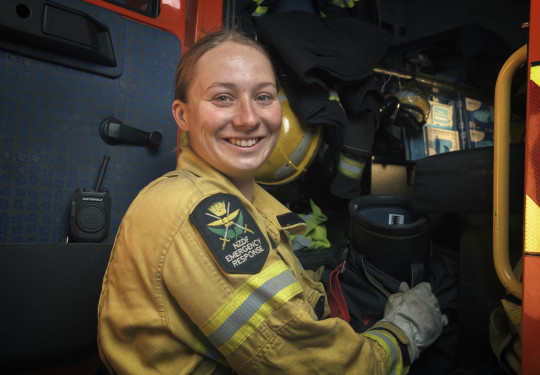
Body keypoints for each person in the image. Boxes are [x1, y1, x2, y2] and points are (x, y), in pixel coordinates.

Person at [97, 29, 446, 375]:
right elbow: (305, 364)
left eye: (263, 97)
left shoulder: (239, 199)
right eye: (223, 98)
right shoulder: (203, 210)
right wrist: (400, 336)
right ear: (182, 115)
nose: (249, 119)